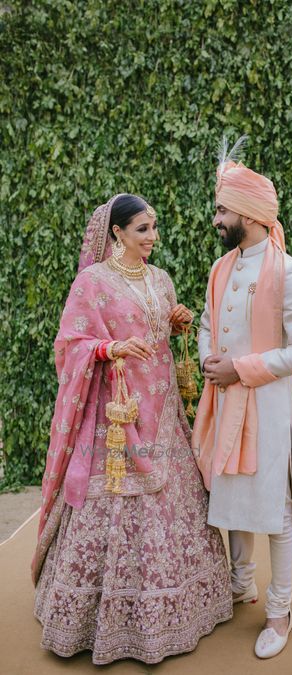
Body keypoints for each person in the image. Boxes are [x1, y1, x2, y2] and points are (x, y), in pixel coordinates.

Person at [31, 193, 233, 665]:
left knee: (174, 497)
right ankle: (102, 619)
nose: (153, 238)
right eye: (143, 229)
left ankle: (180, 606)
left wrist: (176, 320)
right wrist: (108, 349)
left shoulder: (160, 279)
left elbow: (159, 327)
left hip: (162, 412)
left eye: (154, 227)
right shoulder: (92, 282)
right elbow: (71, 344)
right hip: (117, 414)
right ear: (116, 232)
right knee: (119, 503)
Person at [192, 155, 292, 659]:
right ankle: (239, 585)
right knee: (232, 501)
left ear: (247, 215)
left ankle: (279, 610)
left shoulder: (287, 271)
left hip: (268, 410)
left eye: (222, 210)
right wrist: (209, 358)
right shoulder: (220, 267)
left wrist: (240, 368)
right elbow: (208, 323)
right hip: (226, 405)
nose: (216, 219)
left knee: (274, 509)